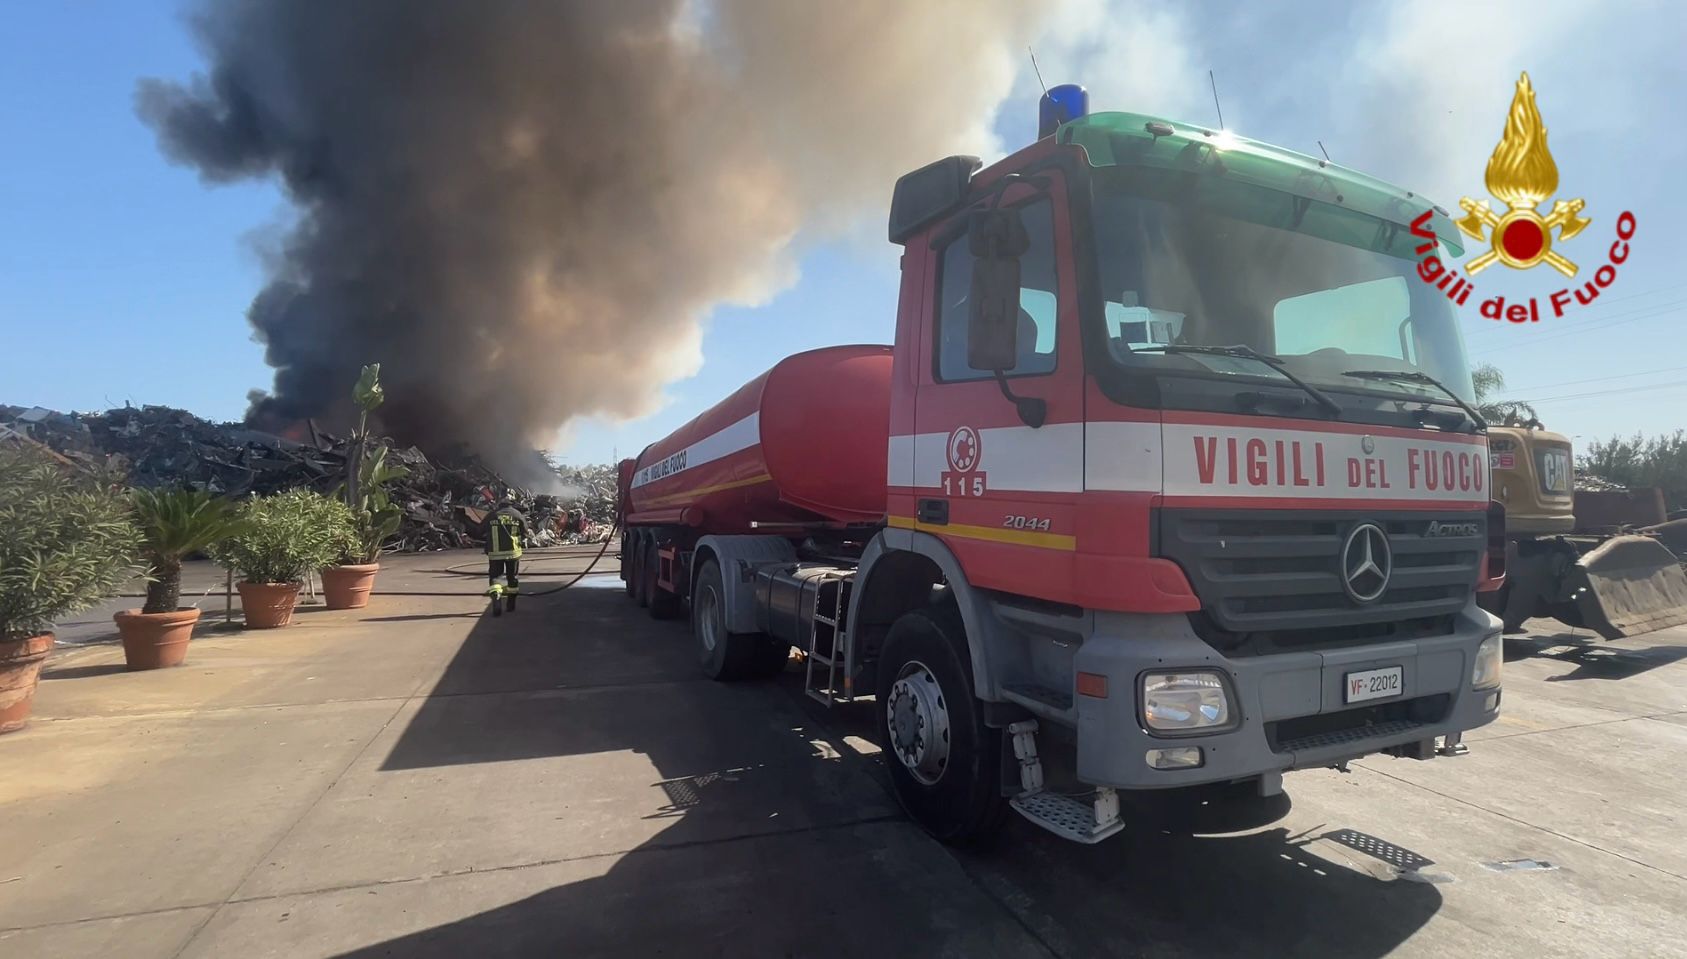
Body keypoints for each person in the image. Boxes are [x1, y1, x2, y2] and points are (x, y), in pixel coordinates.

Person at [483, 495, 530, 612]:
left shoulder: (492, 515)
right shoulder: (517, 514)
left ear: (500, 505)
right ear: (512, 504)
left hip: (495, 553)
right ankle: (511, 603)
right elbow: (525, 532)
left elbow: (479, 530)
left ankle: (497, 599)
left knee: (495, 577)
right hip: (512, 553)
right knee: (512, 578)